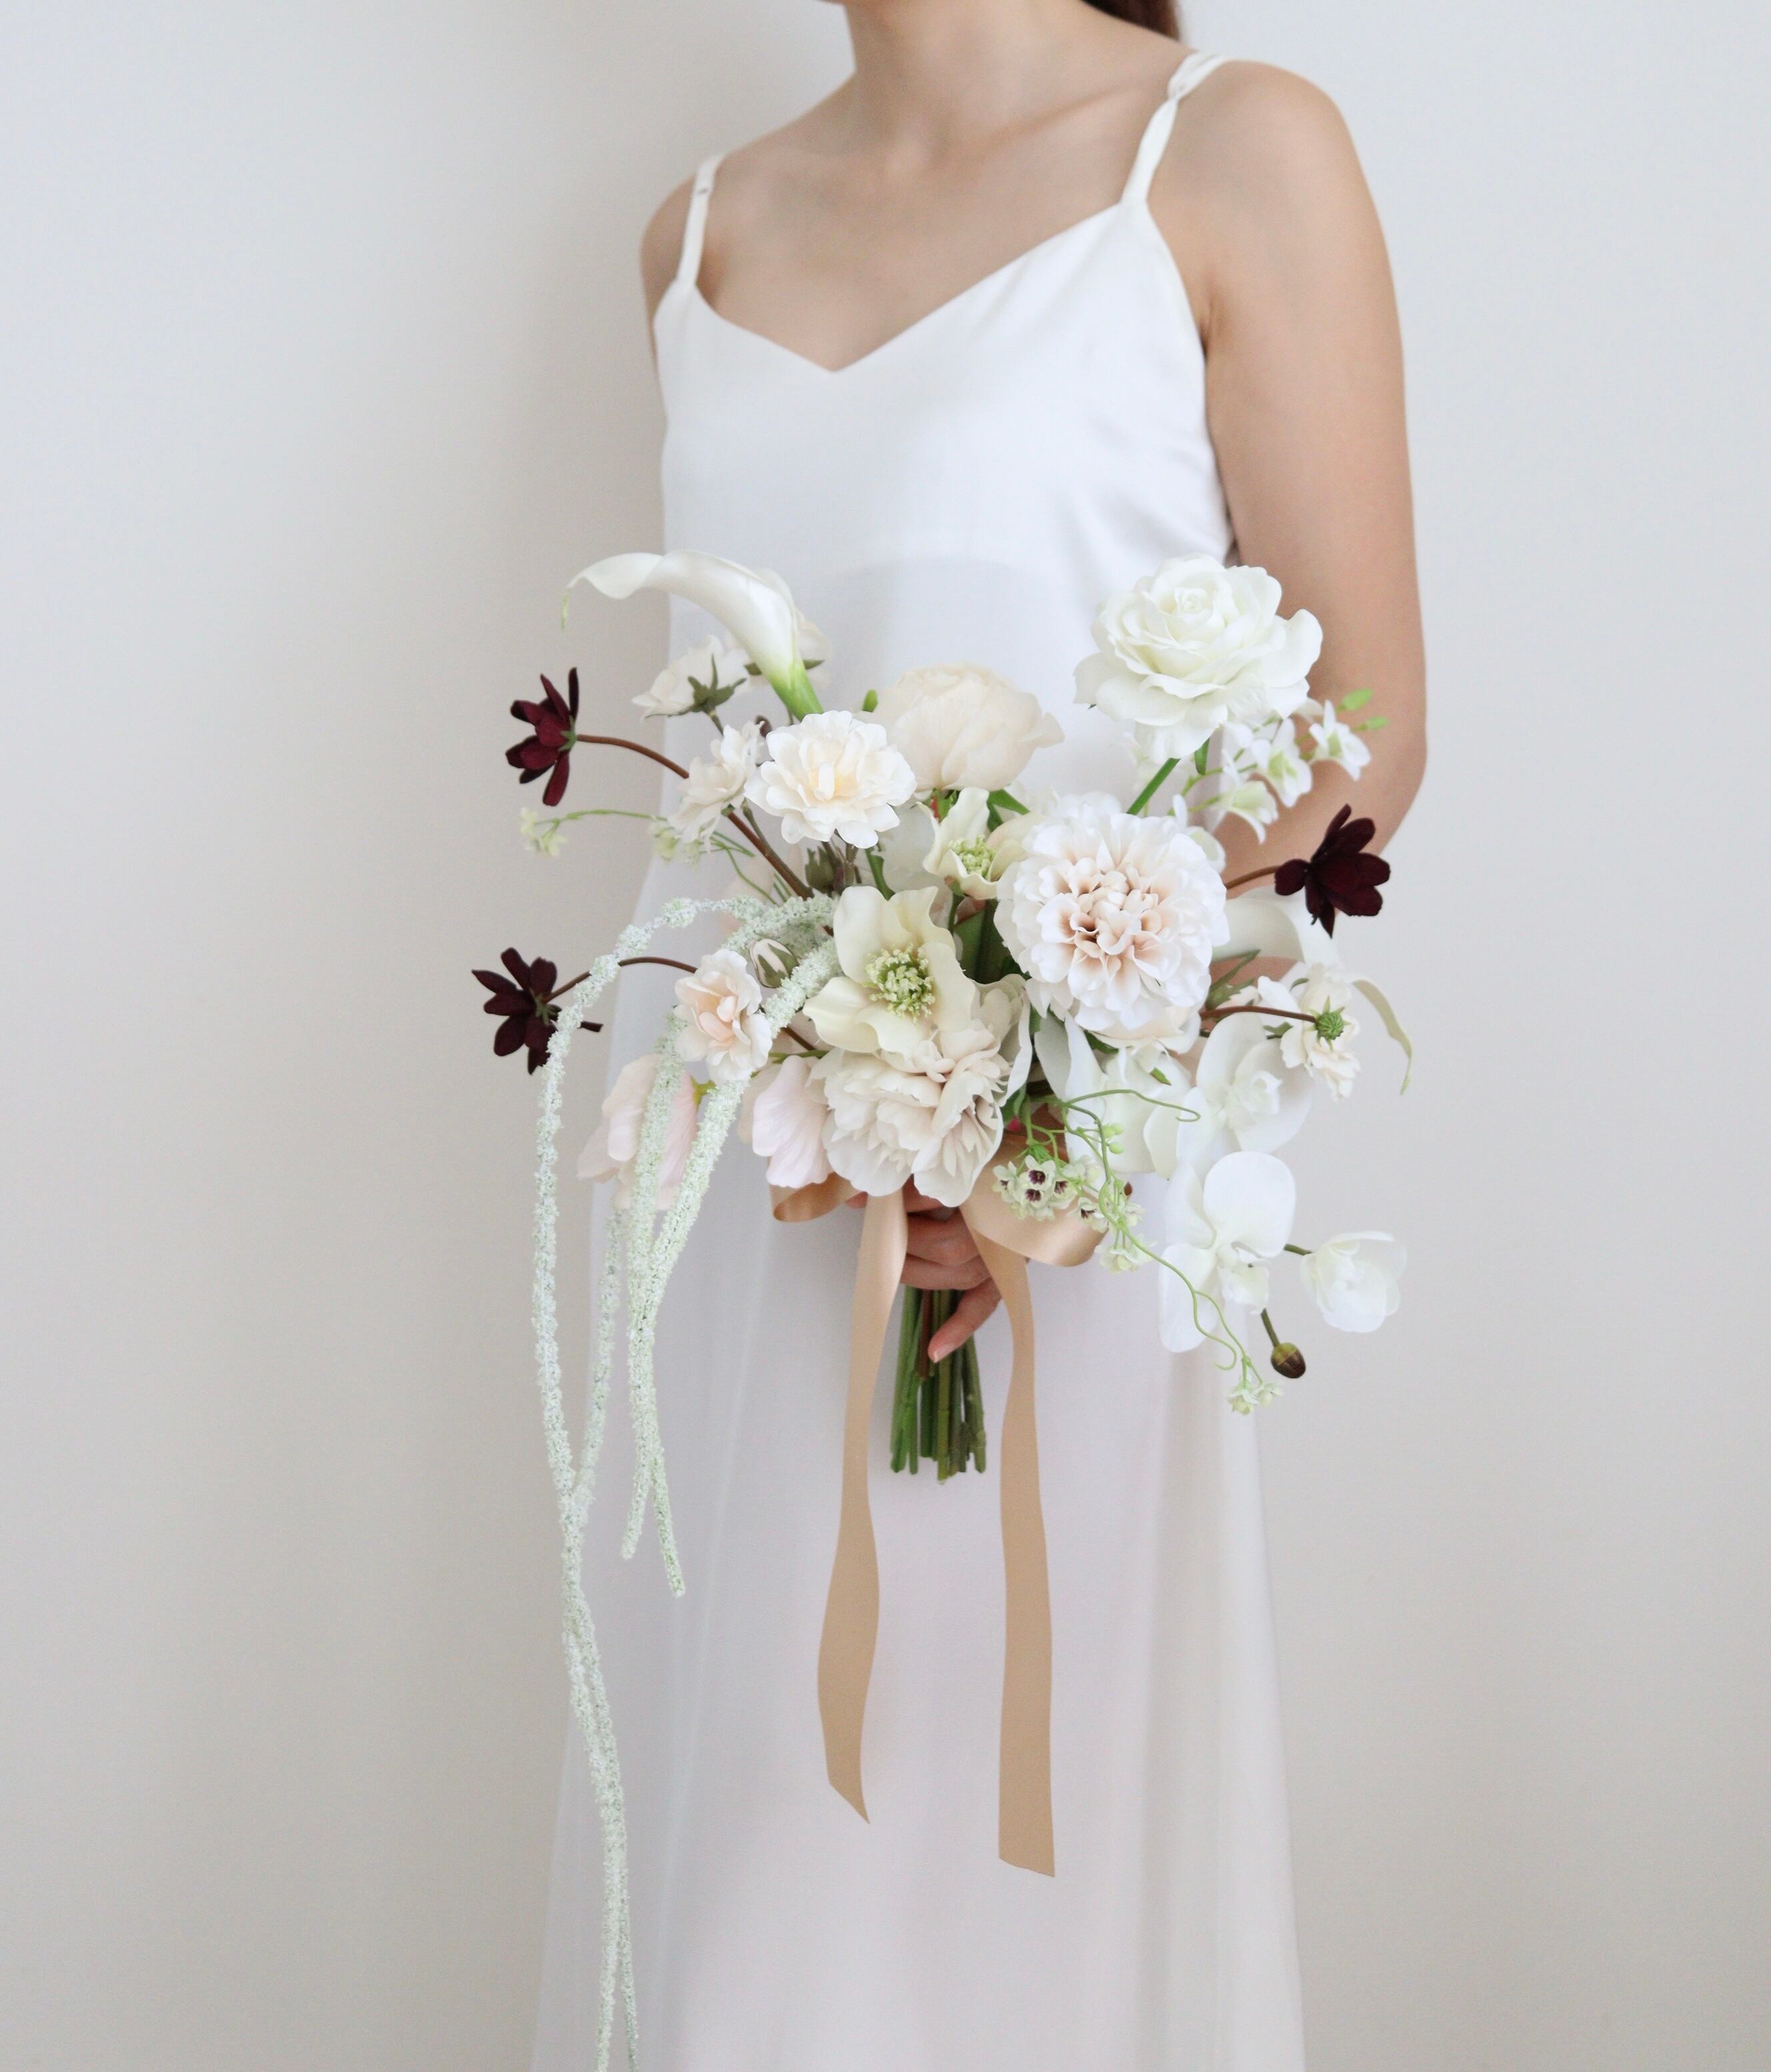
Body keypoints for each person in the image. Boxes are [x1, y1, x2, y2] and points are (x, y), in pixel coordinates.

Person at [533, 4, 1426, 2067]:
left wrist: (1045, 1097)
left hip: (1068, 1212)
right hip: (756, 1194)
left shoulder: (1230, 150)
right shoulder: (696, 237)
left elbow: (1359, 726)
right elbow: (720, 777)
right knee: (755, 1888)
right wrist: (842, 1070)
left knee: (1025, 1880)